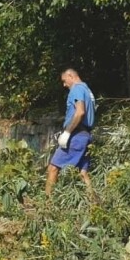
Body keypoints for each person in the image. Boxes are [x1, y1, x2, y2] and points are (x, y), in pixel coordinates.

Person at [45, 68, 94, 197]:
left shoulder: (77, 88)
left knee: (53, 168)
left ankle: (46, 207)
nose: (64, 85)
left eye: (64, 81)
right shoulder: (87, 90)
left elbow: (80, 112)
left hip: (76, 136)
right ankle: (95, 205)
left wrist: (67, 133)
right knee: (82, 173)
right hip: (86, 136)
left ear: (70, 76)